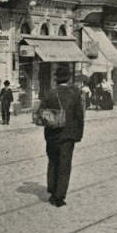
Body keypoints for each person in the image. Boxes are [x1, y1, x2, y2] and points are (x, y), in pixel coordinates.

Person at [39, 65, 85, 207]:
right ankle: (59, 197)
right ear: (68, 78)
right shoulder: (75, 93)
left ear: (56, 79)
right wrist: (78, 135)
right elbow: (80, 116)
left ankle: (52, 189)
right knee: (64, 165)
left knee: (53, 161)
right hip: (68, 136)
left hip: (52, 134)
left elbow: (41, 112)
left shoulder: (50, 93)